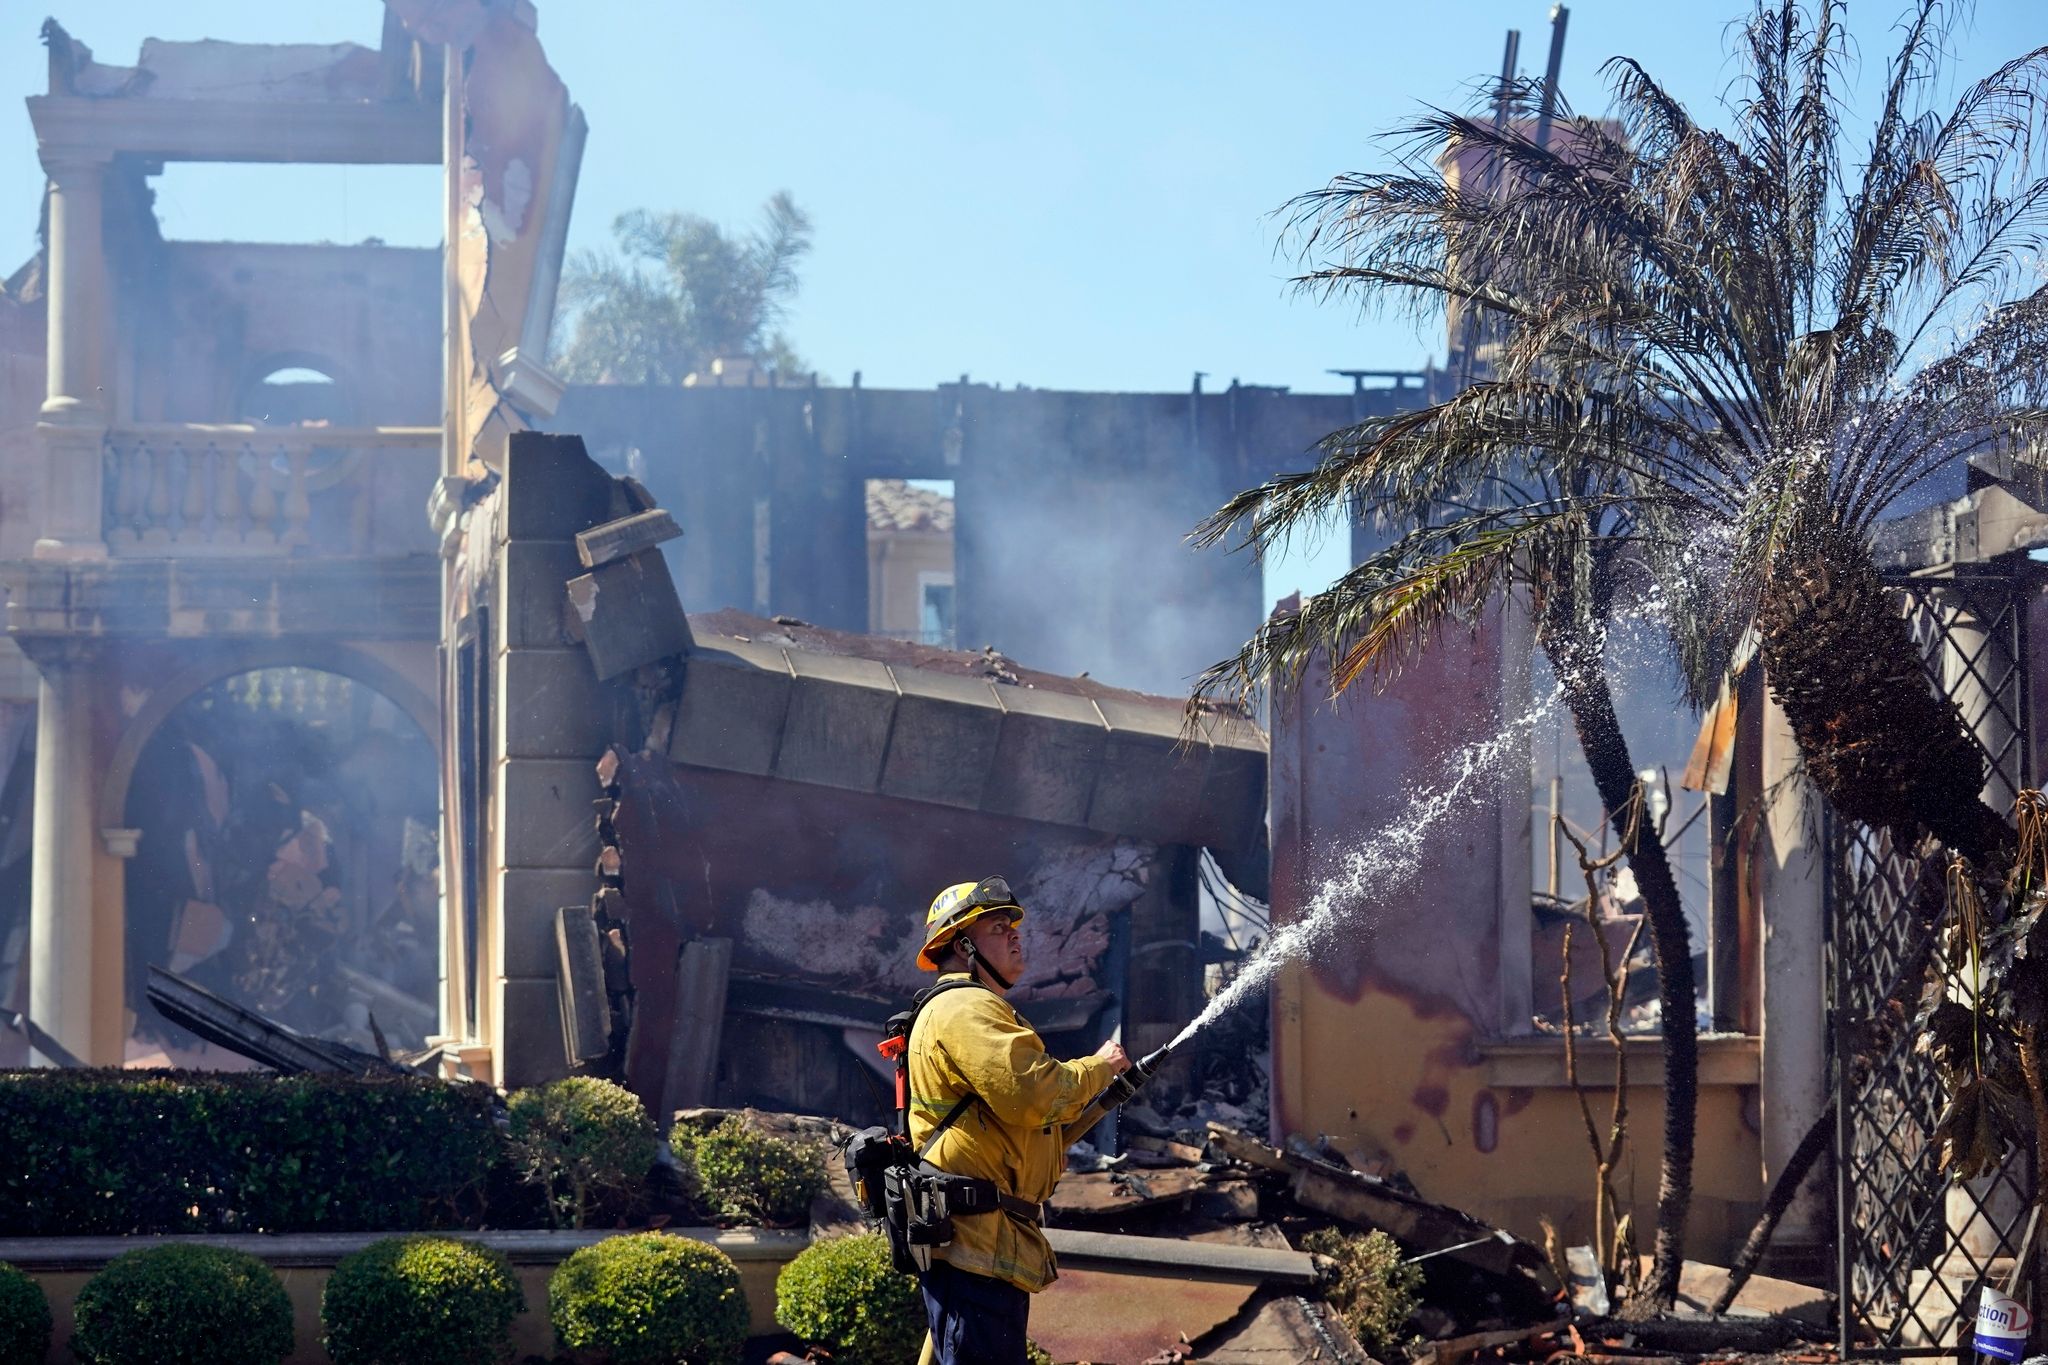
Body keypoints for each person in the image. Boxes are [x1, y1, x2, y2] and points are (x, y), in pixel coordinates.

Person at [908, 876, 1131, 1365]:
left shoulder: (970, 1008)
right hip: (976, 1244)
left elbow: (1028, 1125)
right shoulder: (967, 1007)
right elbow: (1032, 1094)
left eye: (1012, 926)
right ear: (963, 945)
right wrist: (1100, 1068)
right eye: (997, 927)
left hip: (986, 1242)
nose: (1014, 935)